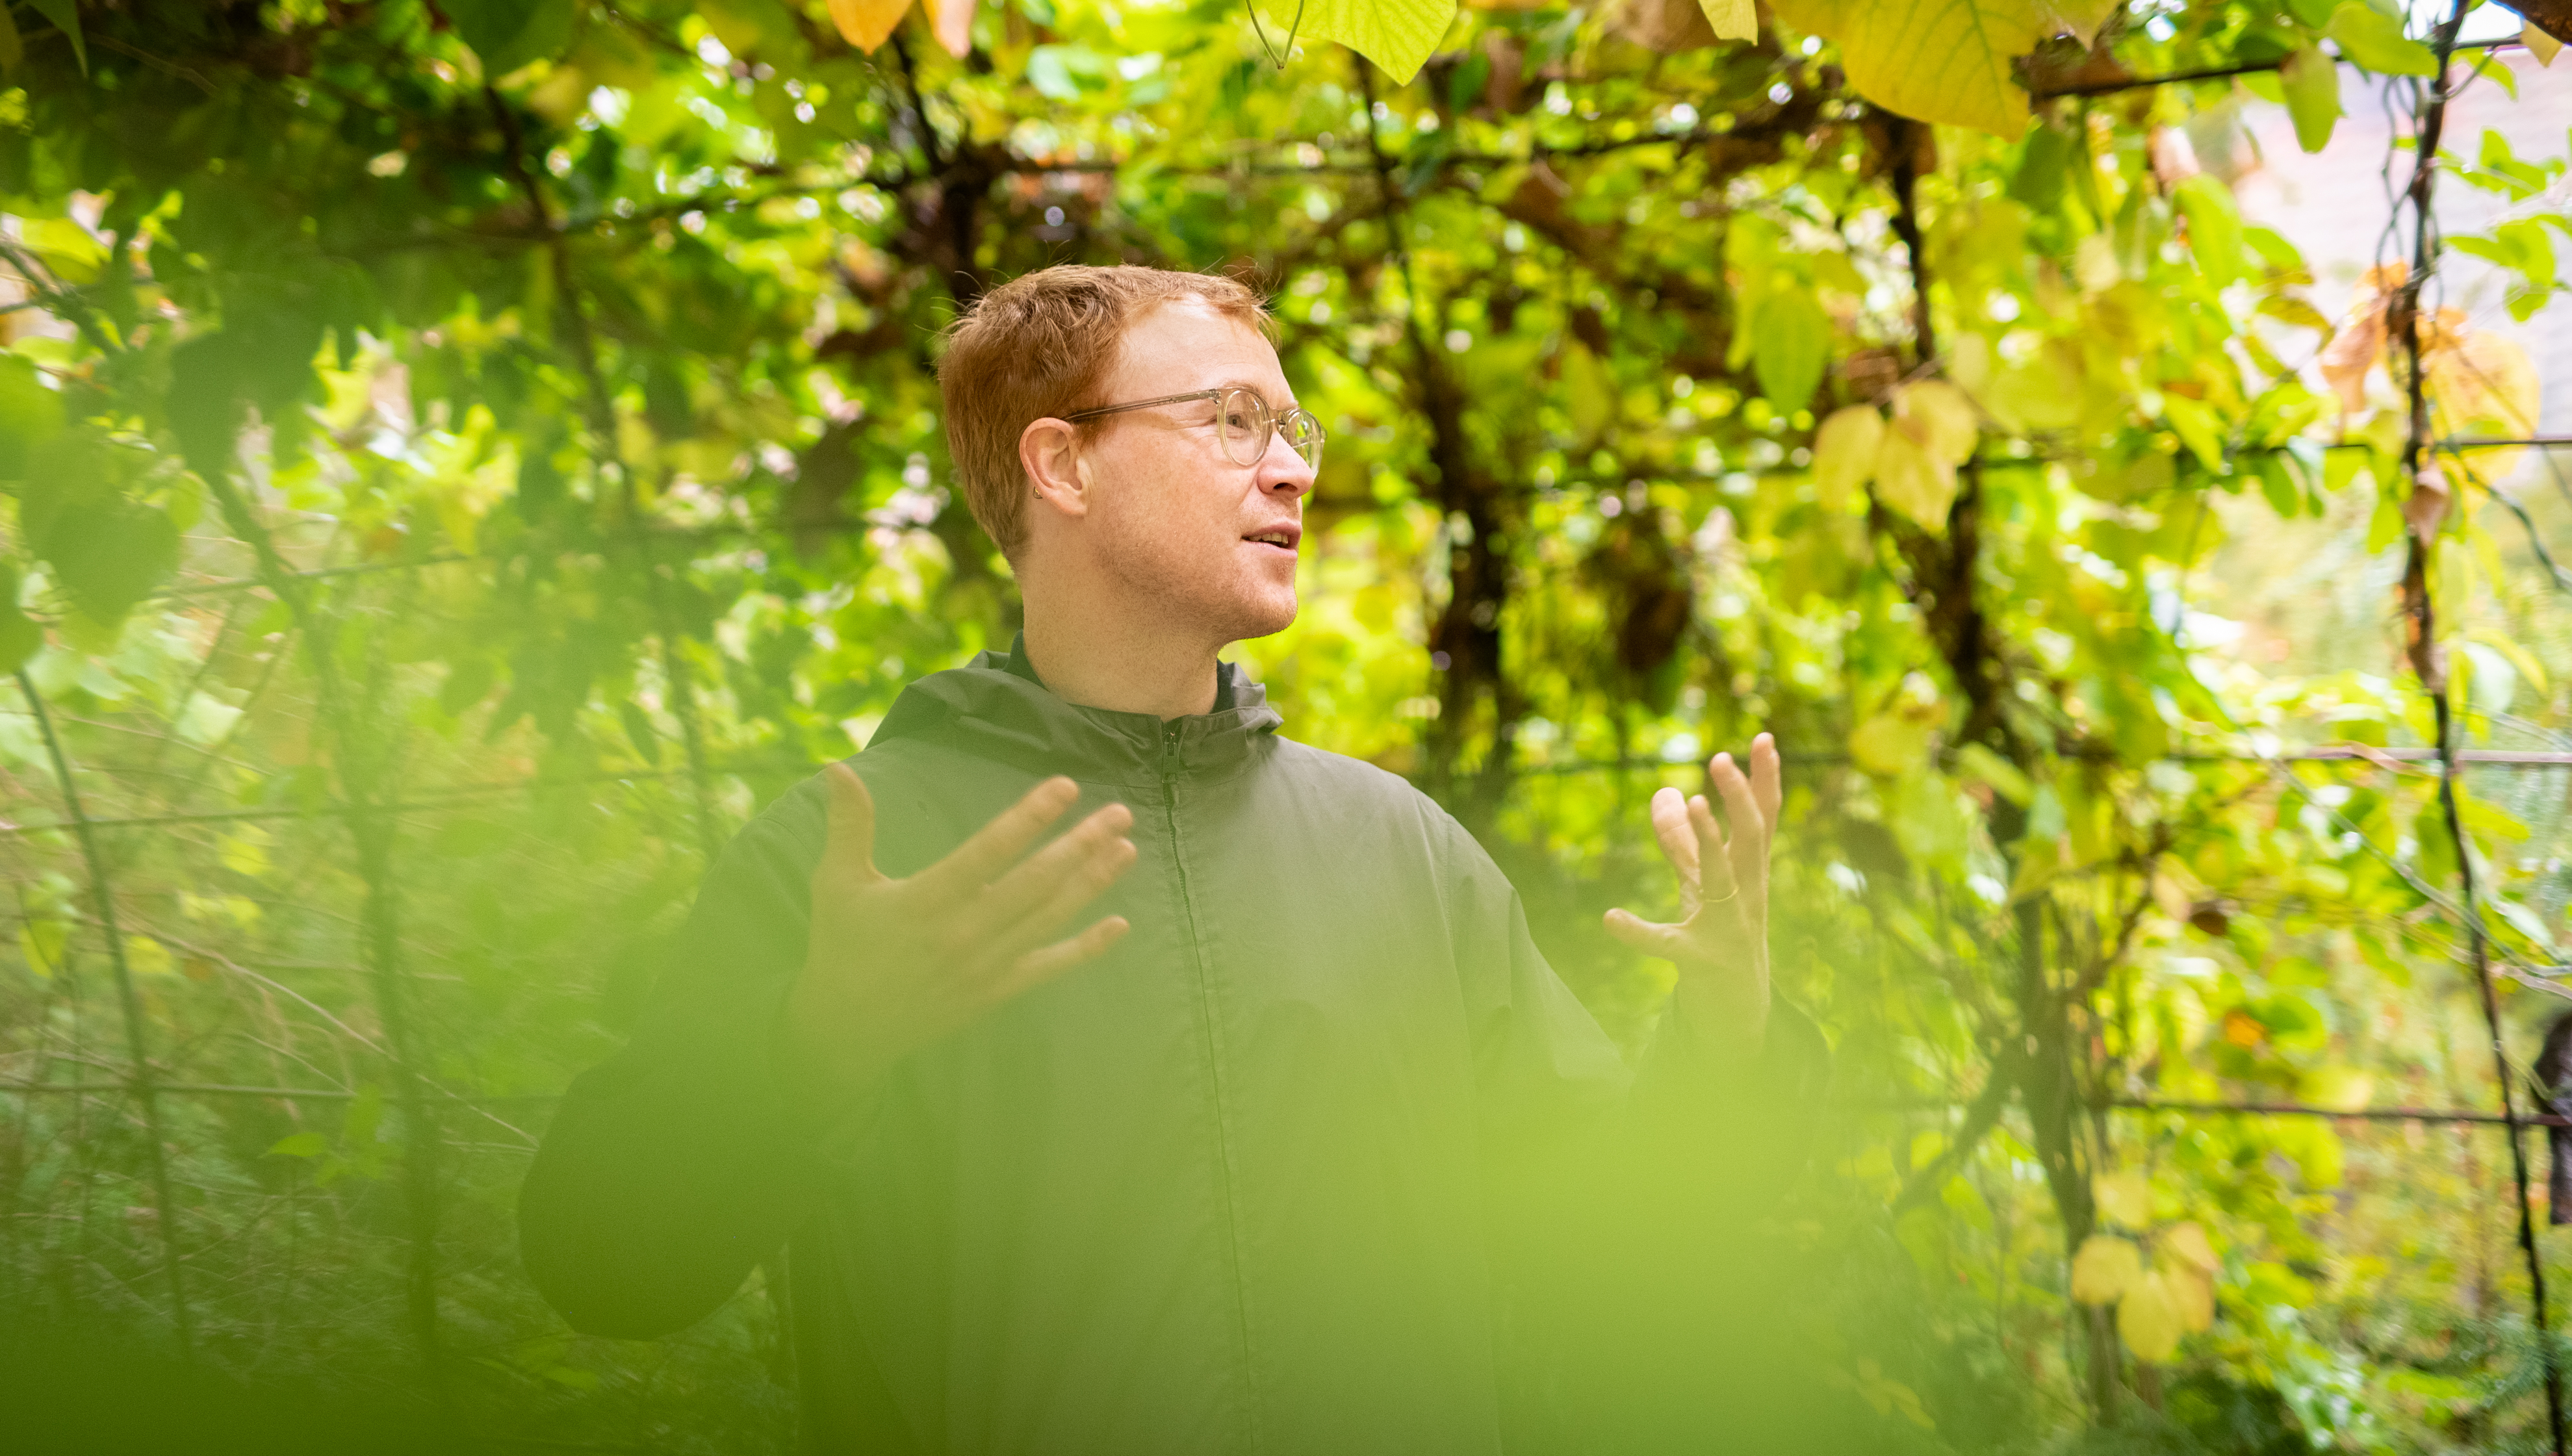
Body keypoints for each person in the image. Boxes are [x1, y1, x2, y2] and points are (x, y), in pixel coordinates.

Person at [519, 265, 1827, 1455]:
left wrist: (1726, 1038)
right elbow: (606, 1263)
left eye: (1291, 431)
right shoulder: (847, 855)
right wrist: (806, 1053)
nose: (1291, 471)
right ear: (1064, 465)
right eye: (1230, 420)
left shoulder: (1399, 853)